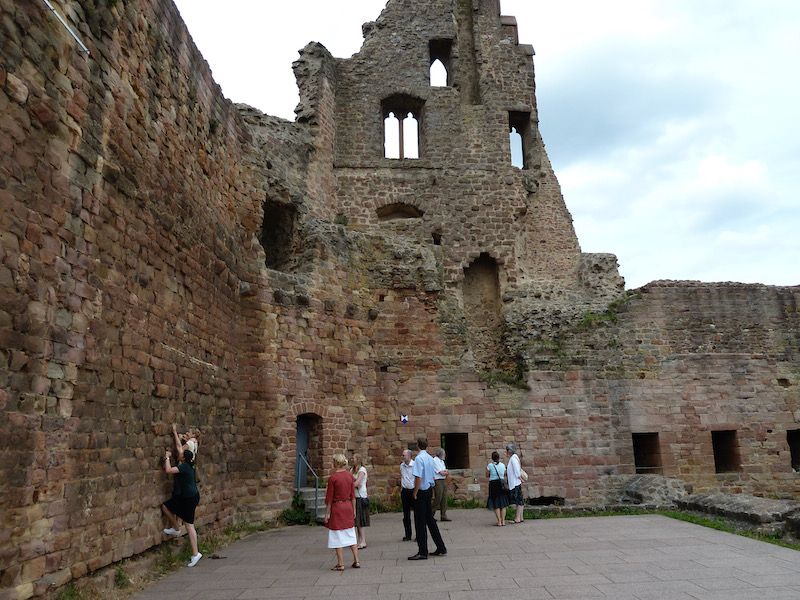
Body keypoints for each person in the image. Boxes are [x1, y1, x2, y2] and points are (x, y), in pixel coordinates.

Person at [161, 448, 202, 567]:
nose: (179, 454)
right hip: (184, 496)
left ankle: (195, 554)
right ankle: (176, 528)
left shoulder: (184, 467)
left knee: (189, 525)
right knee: (166, 506)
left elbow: (168, 470)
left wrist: (167, 457)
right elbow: (179, 447)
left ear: (183, 458)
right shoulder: (186, 465)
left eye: (181, 454)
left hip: (190, 498)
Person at [409, 437, 447, 560]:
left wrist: (415, 492)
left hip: (421, 491)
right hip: (429, 490)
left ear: (418, 445)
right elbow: (432, 476)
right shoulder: (430, 458)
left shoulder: (419, 459)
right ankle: (441, 546)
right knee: (430, 520)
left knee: (420, 522)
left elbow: (419, 478)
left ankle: (422, 551)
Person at [324, 454, 360, 570]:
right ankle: (356, 560)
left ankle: (340, 563)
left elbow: (329, 498)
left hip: (337, 507)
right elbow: (353, 495)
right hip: (348, 506)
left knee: (337, 534)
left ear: (336, 462)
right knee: (350, 532)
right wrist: (354, 510)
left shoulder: (333, 478)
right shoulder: (349, 476)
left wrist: (326, 514)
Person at [350, 453, 369, 549]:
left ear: (358, 459)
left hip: (361, 497)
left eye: (353, 458)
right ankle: (359, 540)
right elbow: (351, 482)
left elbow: (355, 483)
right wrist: (354, 483)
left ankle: (363, 540)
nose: (351, 459)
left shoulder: (362, 470)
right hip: (354, 497)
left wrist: (354, 483)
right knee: (356, 520)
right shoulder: (351, 470)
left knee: (360, 520)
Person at [486, 451, 509, 526]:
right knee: (502, 504)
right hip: (501, 484)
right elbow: (505, 474)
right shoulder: (502, 465)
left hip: (493, 484)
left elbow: (487, 474)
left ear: (492, 458)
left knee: (496, 504)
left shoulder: (490, 465)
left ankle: (499, 521)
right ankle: (503, 521)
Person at [506, 443, 525, 524]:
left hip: (515, 482)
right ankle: (520, 517)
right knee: (520, 500)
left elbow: (517, 470)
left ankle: (518, 518)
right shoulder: (514, 458)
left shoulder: (513, 459)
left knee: (518, 501)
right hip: (516, 482)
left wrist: (519, 477)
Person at [400, 449, 415, 541]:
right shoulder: (402, 466)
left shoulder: (415, 465)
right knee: (406, 514)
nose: (402, 457)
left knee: (417, 514)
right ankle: (408, 534)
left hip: (413, 490)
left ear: (409, 456)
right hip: (405, 491)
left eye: (403, 455)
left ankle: (419, 535)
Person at [432, 447, 450, 521]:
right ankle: (431, 514)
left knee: (444, 497)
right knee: (438, 497)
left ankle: (443, 515)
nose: (445, 455)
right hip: (437, 480)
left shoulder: (441, 461)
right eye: (444, 454)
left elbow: (446, 472)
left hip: (443, 480)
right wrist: (445, 472)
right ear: (441, 454)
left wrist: (445, 472)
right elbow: (442, 472)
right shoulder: (435, 461)